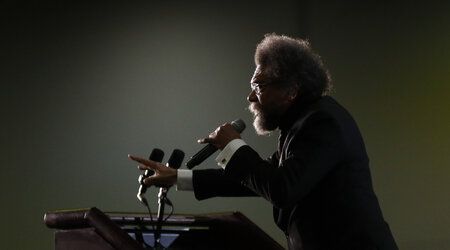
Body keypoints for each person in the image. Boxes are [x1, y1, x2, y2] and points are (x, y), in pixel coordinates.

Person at [129, 33, 398, 250]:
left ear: (291, 91)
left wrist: (233, 146)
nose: (250, 97)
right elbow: (257, 179)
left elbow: (282, 188)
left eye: (259, 86)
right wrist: (178, 177)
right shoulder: (301, 124)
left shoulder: (323, 122)